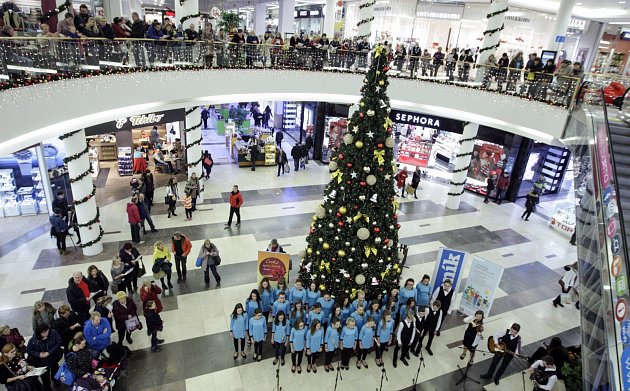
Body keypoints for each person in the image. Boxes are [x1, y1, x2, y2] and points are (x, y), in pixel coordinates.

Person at [26, 324, 62, 391]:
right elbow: (28, 350)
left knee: (55, 370)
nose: (46, 333)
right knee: (45, 376)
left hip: (54, 358)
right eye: (43, 332)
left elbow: (59, 342)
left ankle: (56, 381)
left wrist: (49, 352)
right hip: (42, 362)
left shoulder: (53, 333)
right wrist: (39, 354)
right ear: (39, 333)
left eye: (47, 331)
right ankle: (47, 387)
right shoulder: (33, 339)